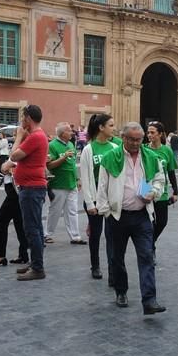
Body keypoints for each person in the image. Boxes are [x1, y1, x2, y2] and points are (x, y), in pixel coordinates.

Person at [96, 122, 166, 315]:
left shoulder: (151, 157)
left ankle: (149, 300)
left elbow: (160, 179)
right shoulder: (111, 157)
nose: (136, 143)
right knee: (116, 257)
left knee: (146, 257)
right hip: (117, 216)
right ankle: (121, 291)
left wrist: (153, 192)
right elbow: (102, 186)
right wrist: (105, 211)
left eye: (139, 140)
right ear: (123, 138)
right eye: (132, 139)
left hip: (142, 215)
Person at [10, 104, 49, 281]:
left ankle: (38, 268)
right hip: (32, 187)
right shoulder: (36, 136)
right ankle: (35, 262)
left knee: (32, 229)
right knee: (36, 228)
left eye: (22, 117)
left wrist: (18, 136)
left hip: (32, 188)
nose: (21, 121)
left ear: (28, 118)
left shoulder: (36, 136)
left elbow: (13, 156)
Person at [80, 114, 119, 281]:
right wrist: (90, 203)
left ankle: (112, 269)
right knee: (95, 235)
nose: (114, 128)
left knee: (112, 236)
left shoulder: (114, 147)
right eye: (111, 125)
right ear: (101, 128)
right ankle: (95, 265)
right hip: (95, 199)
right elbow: (86, 178)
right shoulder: (89, 149)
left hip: (110, 200)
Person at [45, 122, 85, 245]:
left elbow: (73, 164)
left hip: (71, 183)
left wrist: (77, 179)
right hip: (58, 184)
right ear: (62, 133)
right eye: (69, 131)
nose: (72, 133)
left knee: (72, 210)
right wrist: (63, 158)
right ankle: (47, 234)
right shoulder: (52, 145)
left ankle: (75, 236)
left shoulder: (71, 144)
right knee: (55, 211)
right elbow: (49, 165)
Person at [145, 121, 178, 260]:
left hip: (162, 191)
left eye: (152, 132)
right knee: (150, 223)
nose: (149, 135)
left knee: (162, 222)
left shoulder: (167, 150)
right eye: (148, 132)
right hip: (146, 188)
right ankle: (150, 249)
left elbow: (171, 172)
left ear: (160, 134)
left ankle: (150, 244)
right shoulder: (143, 149)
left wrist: (176, 191)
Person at [0, 164, 29, 268]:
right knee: (19, 222)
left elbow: (6, 167)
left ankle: (0, 255)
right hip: (13, 186)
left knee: (0, 221)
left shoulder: (19, 147)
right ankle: (23, 254)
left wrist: (9, 167)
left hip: (15, 188)